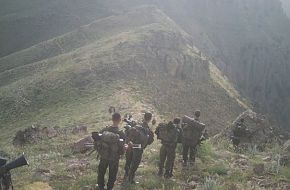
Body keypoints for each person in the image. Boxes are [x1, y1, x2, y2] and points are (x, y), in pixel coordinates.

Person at [96, 113, 127, 190]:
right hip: (114, 158)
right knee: (112, 175)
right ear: (119, 120)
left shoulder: (104, 130)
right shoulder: (121, 133)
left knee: (101, 172)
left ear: (112, 119)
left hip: (104, 156)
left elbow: (97, 141)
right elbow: (122, 149)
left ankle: (101, 187)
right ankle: (109, 188)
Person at [124, 112, 154, 184]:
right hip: (138, 148)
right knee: (135, 163)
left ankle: (126, 175)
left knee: (128, 161)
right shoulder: (147, 129)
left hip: (130, 146)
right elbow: (150, 141)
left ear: (144, 117)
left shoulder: (137, 125)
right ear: (150, 119)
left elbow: (128, 134)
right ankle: (131, 179)